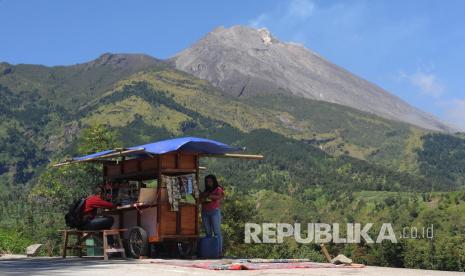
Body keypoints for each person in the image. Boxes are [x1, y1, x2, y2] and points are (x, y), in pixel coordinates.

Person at [200, 174, 225, 256]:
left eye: (210, 181)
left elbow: (219, 197)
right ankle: (210, 251)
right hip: (205, 211)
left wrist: (208, 195)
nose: (208, 183)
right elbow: (201, 200)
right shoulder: (206, 191)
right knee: (208, 233)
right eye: (207, 181)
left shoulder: (218, 189)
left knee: (217, 232)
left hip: (214, 211)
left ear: (214, 181)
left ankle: (219, 251)